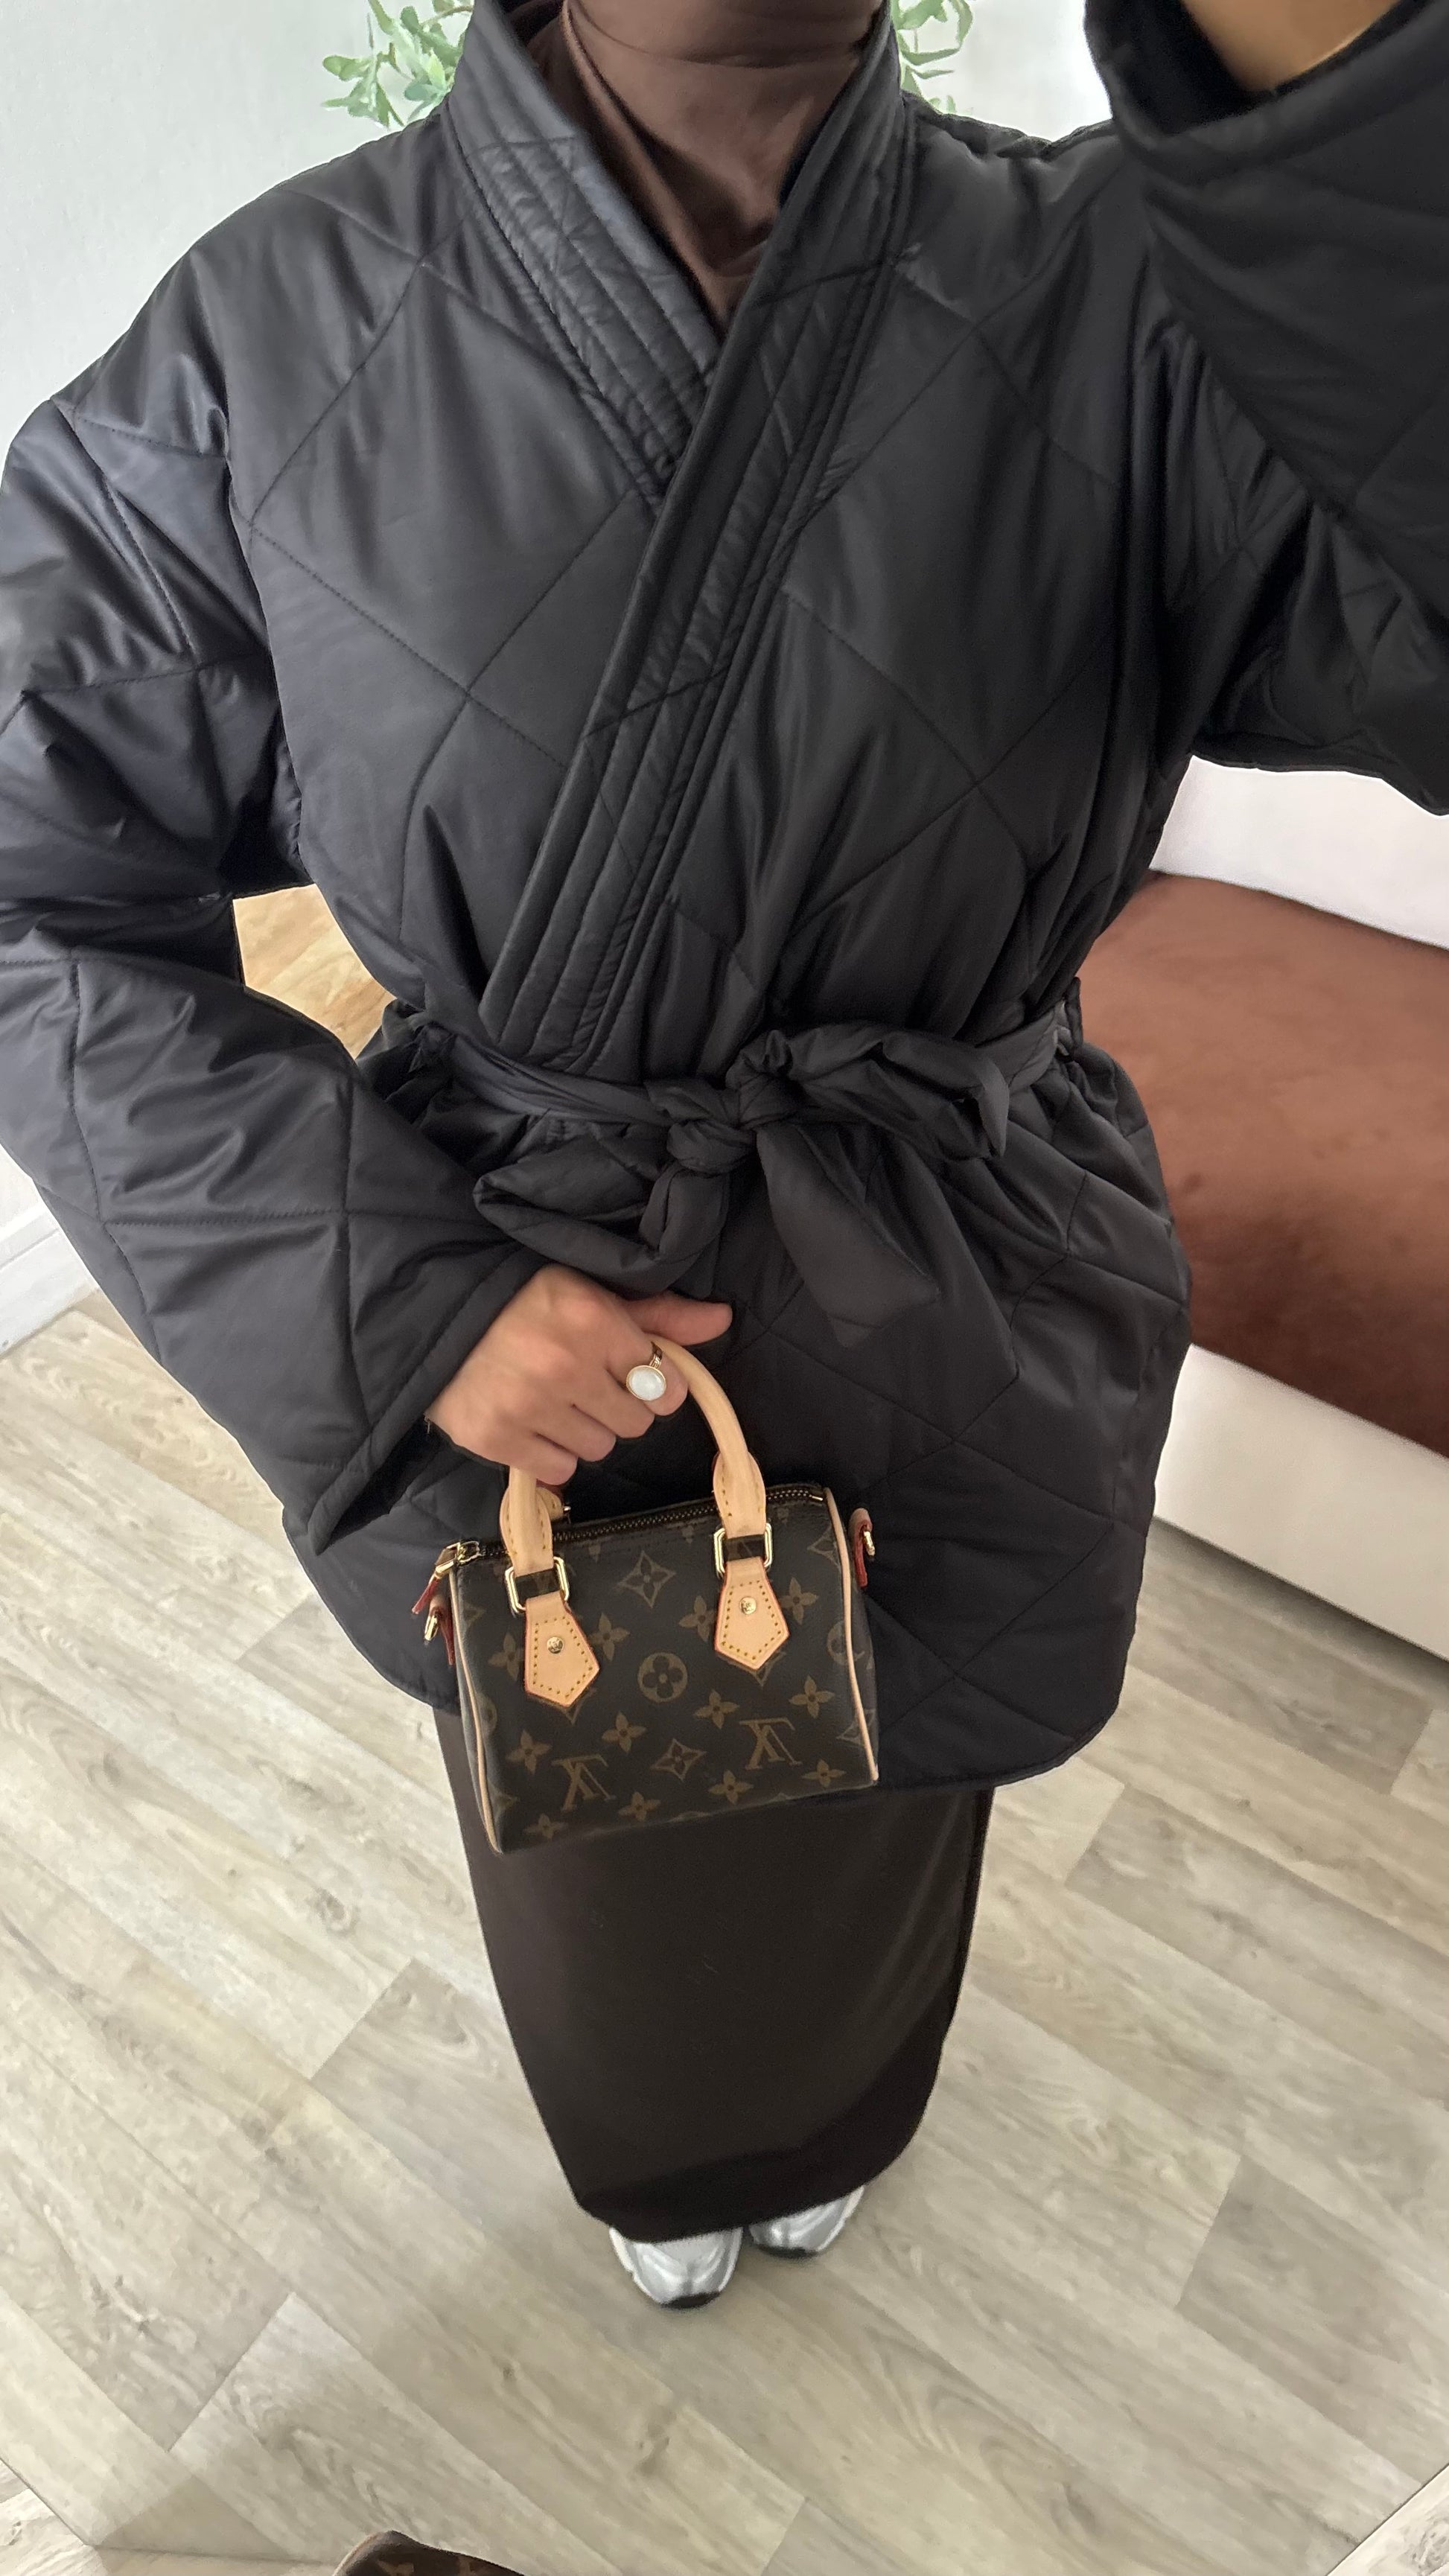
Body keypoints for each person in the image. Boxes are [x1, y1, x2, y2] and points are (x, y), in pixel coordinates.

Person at [0, 0, 1444, 2310]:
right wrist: (405, 1306)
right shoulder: (270, 338)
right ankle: (658, 2166)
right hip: (529, 1355)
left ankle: (836, 2120)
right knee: (607, 1864)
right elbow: (28, 875)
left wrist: (1335, 95)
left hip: (956, 1308)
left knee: (896, 1797)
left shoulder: (1121, 284)